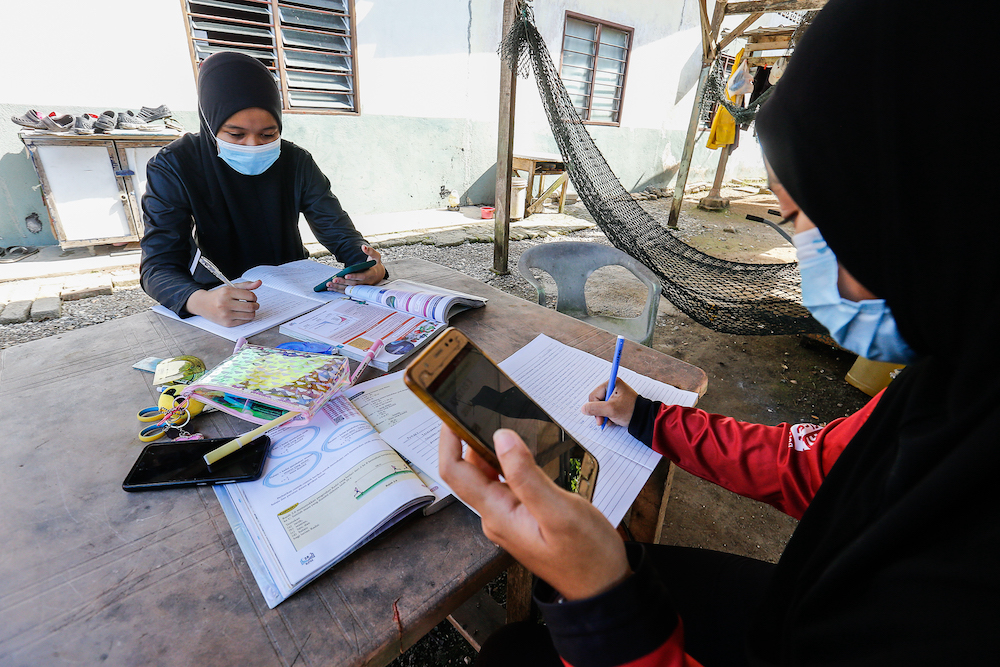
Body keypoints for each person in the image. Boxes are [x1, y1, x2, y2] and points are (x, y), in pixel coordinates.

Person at [438, 1, 999, 664]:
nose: (802, 254)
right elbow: (812, 466)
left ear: (918, 208)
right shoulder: (952, 380)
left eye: (806, 220)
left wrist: (606, 605)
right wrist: (650, 418)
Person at [139, 52, 385, 327]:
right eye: (235, 134)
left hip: (298, 292)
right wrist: (198, 301)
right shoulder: (174, 165)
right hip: (219, 296)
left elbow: (337, 229)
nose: (253, 145)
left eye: (269, 134)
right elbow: (158, 265)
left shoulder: (295, 161)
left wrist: (367, 265)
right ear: (209, 124)